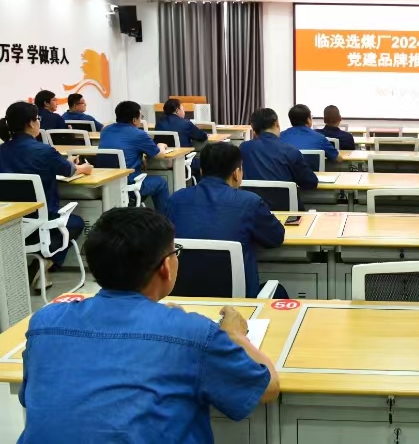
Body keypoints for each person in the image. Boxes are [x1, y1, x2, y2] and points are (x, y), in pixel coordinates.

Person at [17, 207, 280, 443]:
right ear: (166, 266)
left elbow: (31, 396)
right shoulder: (194, 334)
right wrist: (236, 335)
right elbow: (267, 388)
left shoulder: (45, 322)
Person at [166, 143, 285, 298]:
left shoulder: (176, 199)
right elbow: (276, 238)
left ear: (201, 171)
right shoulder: (250, 202)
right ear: (236, 173)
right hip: (238, 305)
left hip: (184, 300)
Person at [0, 102, 92, 283]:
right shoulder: (43, 150)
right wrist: (83, 168)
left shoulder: (2, 150)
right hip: (42, 218)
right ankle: (45, 262)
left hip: (10, 219)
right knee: (75, 223)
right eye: (37, 119)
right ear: (31, 123)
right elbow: (69, 171)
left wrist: (65, 162)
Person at [99, 101, 170, 213]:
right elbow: (159, 155)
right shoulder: (139, 134)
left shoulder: (106, 130)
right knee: (161, 182)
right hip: (129, 186)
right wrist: (161, 146)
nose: (141, 120)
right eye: (141, 117)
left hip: (107, 183)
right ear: (134, 120)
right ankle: (164, 219)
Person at [240, 108, 318, 191]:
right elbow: (311, 183)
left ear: (254, 130)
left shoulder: (243, 148)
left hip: (251, 199)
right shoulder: (290, 151)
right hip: (284, 199)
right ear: (276, 124)